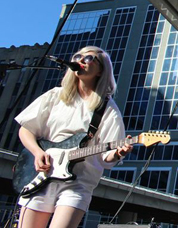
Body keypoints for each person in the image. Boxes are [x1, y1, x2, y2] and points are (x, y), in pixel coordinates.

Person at [15, 46, 133, 228]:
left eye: (89, 59)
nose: (81, 60)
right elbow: (26, 130)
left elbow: (105, 158)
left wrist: (118, 153)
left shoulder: (108, 109)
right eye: (78, 57)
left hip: (78, 183)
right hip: (41, 175)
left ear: (101, 69)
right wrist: (38, 153)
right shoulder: (55, 96)